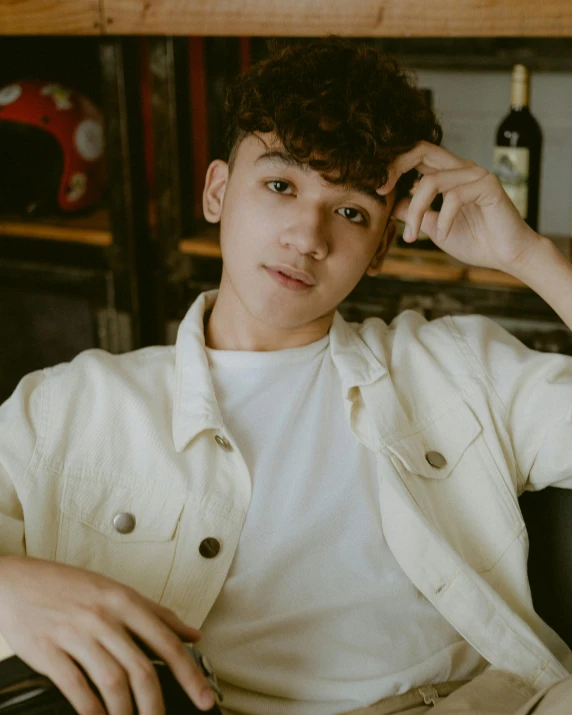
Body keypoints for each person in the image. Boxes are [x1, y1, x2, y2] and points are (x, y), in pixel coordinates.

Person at [1, 35, 572, 715]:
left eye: (352, 211)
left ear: (383, 245)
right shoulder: (70, 406)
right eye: (280, 184)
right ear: (217, 192)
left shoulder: (456, 367)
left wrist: (530, 256)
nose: (309, 236)